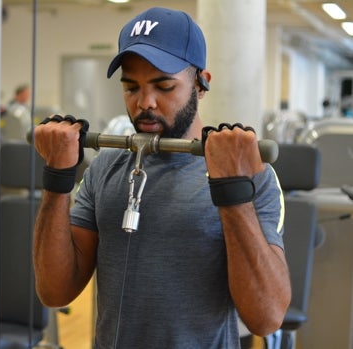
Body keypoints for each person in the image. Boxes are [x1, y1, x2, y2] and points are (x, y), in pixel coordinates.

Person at [32, 7, 291, 349]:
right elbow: (54, 291)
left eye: (164, 85)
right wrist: (57, 177)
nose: (145, 102)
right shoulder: (106, 167)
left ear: (202, 84)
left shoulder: (253, 176)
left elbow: (266, 317)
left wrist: (233, 192)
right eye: (131, 87)